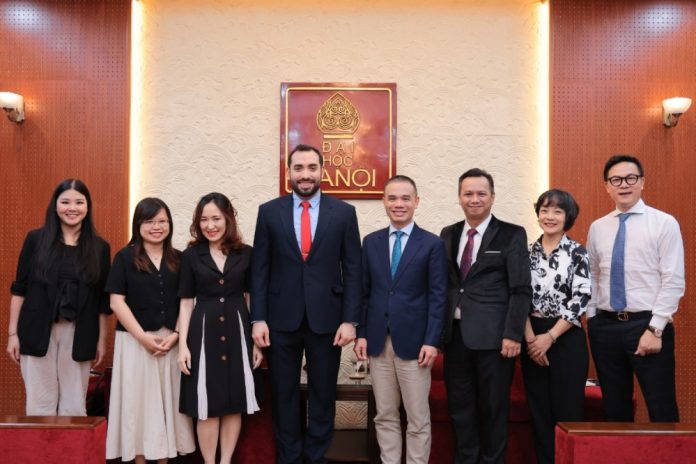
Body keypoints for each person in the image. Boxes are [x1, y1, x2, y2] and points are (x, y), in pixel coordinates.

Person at [250, 143, 362, 464]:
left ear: (322, 171)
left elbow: (353, 269)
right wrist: (258, 318)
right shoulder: (269, 212)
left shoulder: (343, 213)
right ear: (289, 173)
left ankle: (316, 458)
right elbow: (260, 269)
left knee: (322, 396)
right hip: (280, 320)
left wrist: (349, 320)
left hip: (328, 321)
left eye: (312, 168)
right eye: (298, 168)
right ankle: (289, 458)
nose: (305, 174)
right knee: (283, 396)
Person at [440, 168, 532, 464]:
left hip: (495, 340)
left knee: (493, 409)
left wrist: (512, 334)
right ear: (459, 198)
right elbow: (449, 284)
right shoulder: (449, 233)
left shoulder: (512, 234)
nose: (474, 199)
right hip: (455, 338)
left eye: (481, 193)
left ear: (492, 197)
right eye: (468, 193)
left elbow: (520, 289)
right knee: (460, 409)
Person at [354, 175, 447, 464]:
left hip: (416, 344)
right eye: (392, 198)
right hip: (379, 342)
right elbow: (364, 293)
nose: (399, 204)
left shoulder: (432, 244)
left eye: (405, 198)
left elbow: (438, 297)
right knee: (385, 414)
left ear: (416, 202)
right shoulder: (370, 242)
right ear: (384, 201)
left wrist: (432, 341)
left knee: (418, 417)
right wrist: (362, 334)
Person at [587, 155, 684, 422]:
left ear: (642, 182)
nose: (624, 185)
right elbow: (594, 275)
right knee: (615, 410)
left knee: (661, 408)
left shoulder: (664, 223)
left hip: (647, 323)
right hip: (605, 327)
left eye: (631, 178)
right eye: (615, 179)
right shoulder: (598, 227)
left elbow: (673, 280)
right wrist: (593, 316)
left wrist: (656, 328)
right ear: (607, 186)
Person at [6, 178, 111, 416]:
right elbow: (19, 289)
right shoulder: (36, 240)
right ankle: (41, 454)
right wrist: (12, 334)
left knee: (74, 405)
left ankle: (69, 454)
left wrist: (101, 340)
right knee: (40, 403)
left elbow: (102, 302)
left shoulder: (100, 248)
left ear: (87, 207)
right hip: (36, 328)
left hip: (80, 331)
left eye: (79, 202)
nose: (71, 208)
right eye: (65, 201)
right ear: (55, 205)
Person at [106, 197, 195, 463]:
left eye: (162, 221)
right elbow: (115, 301)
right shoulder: (124, 257)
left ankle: (164, 458)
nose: (157, 226)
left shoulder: (179, 258)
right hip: (135, 343)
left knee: (167, 408)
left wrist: (178, 335)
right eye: (149, 221)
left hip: (170, 343)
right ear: (138, 224)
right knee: (139, 406)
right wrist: (142, 337)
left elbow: (186, 302)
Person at [177, 192, 263, 464]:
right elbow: (186, 301)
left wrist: (256, 342)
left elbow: (251, 297)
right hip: (203, 332)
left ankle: (226, 461)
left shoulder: (246, 253)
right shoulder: (191, 255)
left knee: (233, 403)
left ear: (228, 219)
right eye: (204, 219)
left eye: (216, 218)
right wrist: (182, 347)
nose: (210, 225)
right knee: (207, 406)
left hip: (238, 330)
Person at [521, 189, 590, 464]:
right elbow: (518, 298)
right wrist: (531, 341)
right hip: (531, 336)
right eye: (545, 210)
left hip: (566, 336)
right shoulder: (525, 253)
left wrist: (548, 337)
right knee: (539, 413)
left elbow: (581, 299)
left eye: (557, 211)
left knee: (568, 412)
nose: (550, 216)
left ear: (567, 217)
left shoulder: (577, 253)